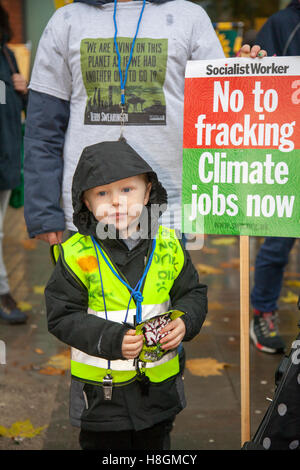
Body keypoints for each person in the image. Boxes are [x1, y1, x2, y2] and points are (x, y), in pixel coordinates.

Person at [23, 0, 266, 245]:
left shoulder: (190, 17)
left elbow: (219, 111)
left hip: (168, 213)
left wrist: (243, 78)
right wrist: (43, 212)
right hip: (89, 212)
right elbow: (43, 130)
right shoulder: (67, 20)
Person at [44, 139, 208, 450]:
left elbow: (193, 293)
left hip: (159, 390)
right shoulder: (75, 256)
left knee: (157, 445)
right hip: (101, 396)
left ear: (148, 192)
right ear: (87, 203)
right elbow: (61, 316)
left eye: (127, 190)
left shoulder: (169, 244)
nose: (116, 202)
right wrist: (111, 338)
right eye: (102, 193)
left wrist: (186, 320)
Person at [249, 0, 300, 354]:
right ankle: (262, 311)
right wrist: (249, 63)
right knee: (278, 244)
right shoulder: (284, 22)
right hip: (289, 152)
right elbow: (255, 81)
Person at [0, 3, 28, 324]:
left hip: (5, 159)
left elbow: (16, 109)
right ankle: (4, 292)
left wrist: (24, 91)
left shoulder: (7, 55)